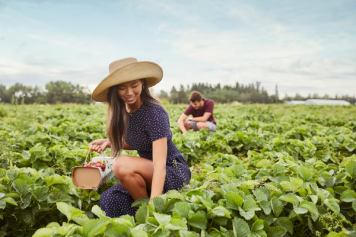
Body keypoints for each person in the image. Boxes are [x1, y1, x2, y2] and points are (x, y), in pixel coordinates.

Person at [89, 57, 191, 217]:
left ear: (143, 84)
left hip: (171, 169)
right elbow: (139, 142)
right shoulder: (123, 112)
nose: (129, 93)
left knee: (121, 165)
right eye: (122, 88)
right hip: (147, 170)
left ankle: (151, 213)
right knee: (110, 200)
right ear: (115, 91)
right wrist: (109, 142)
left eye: (134, 85)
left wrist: (154, 202)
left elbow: (159, 165)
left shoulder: (154, 113)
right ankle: (143, 214)